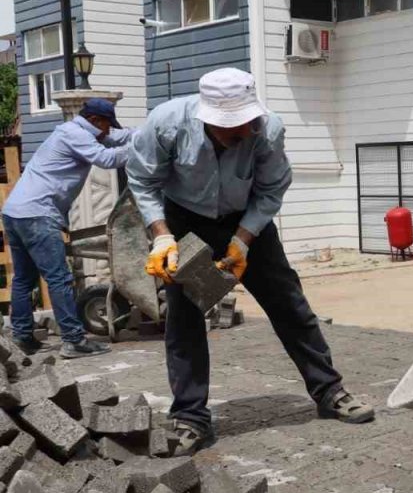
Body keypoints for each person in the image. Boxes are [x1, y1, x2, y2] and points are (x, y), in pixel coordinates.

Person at [127, 68, 374, 455]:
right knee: (185, 316)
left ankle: (329, 391)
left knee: (289, 304)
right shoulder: (167, 124)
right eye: (231, 128)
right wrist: (161, 236)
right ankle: (190, 416)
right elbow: (142, 180)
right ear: (207, 119)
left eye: (248, 122)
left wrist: (243, 242)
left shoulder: (267, 130)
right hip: (185, 220)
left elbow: (272, 187)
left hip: (246, 221)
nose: (243, 132)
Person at [3, 98, 133, 358]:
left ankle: (22, 336)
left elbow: (117, 138)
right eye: (107, 125)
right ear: (95, 121)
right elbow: (106, 158)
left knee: (23, 279)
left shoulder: (75, 131)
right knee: (59, 279)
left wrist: (148, 134)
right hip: (37, 215)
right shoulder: (75, 135)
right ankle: (74, 341)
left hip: (15, 211)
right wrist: (145, 149)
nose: (108, 131)